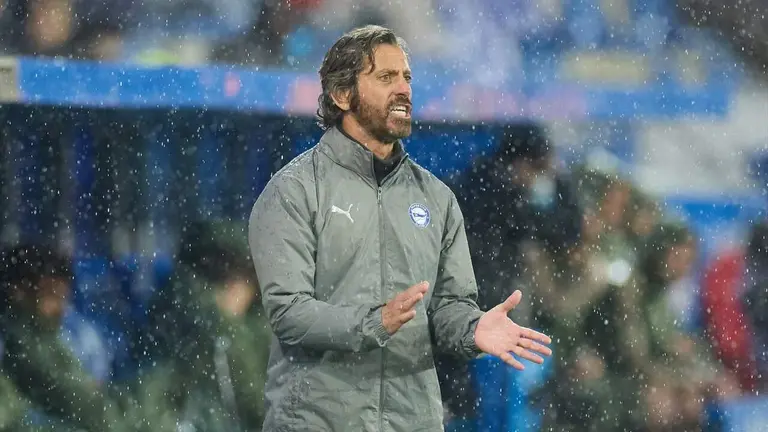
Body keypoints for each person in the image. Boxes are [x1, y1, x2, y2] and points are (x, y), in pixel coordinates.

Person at [248, 25, 553, 431]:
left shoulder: (436, 198)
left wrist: (472, 326)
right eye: (385, 78)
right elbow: (289, 313)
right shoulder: (295, 191)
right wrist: (372, 323)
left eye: (407, 77)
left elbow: (448, 307)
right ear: (342, 95)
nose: (403, 89)